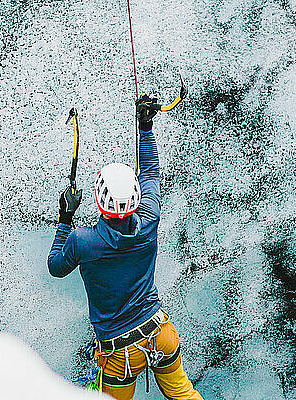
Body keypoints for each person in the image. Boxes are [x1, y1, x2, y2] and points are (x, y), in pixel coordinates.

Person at [47, 95, 203, 400]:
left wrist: (65, 218)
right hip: (160, 334)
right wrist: (146, 127)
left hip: (119, 354)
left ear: (98, 199)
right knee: (185, 395)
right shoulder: (149, 219)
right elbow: (151, 173)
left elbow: (56, 267)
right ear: (135, 198)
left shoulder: (82, 241)